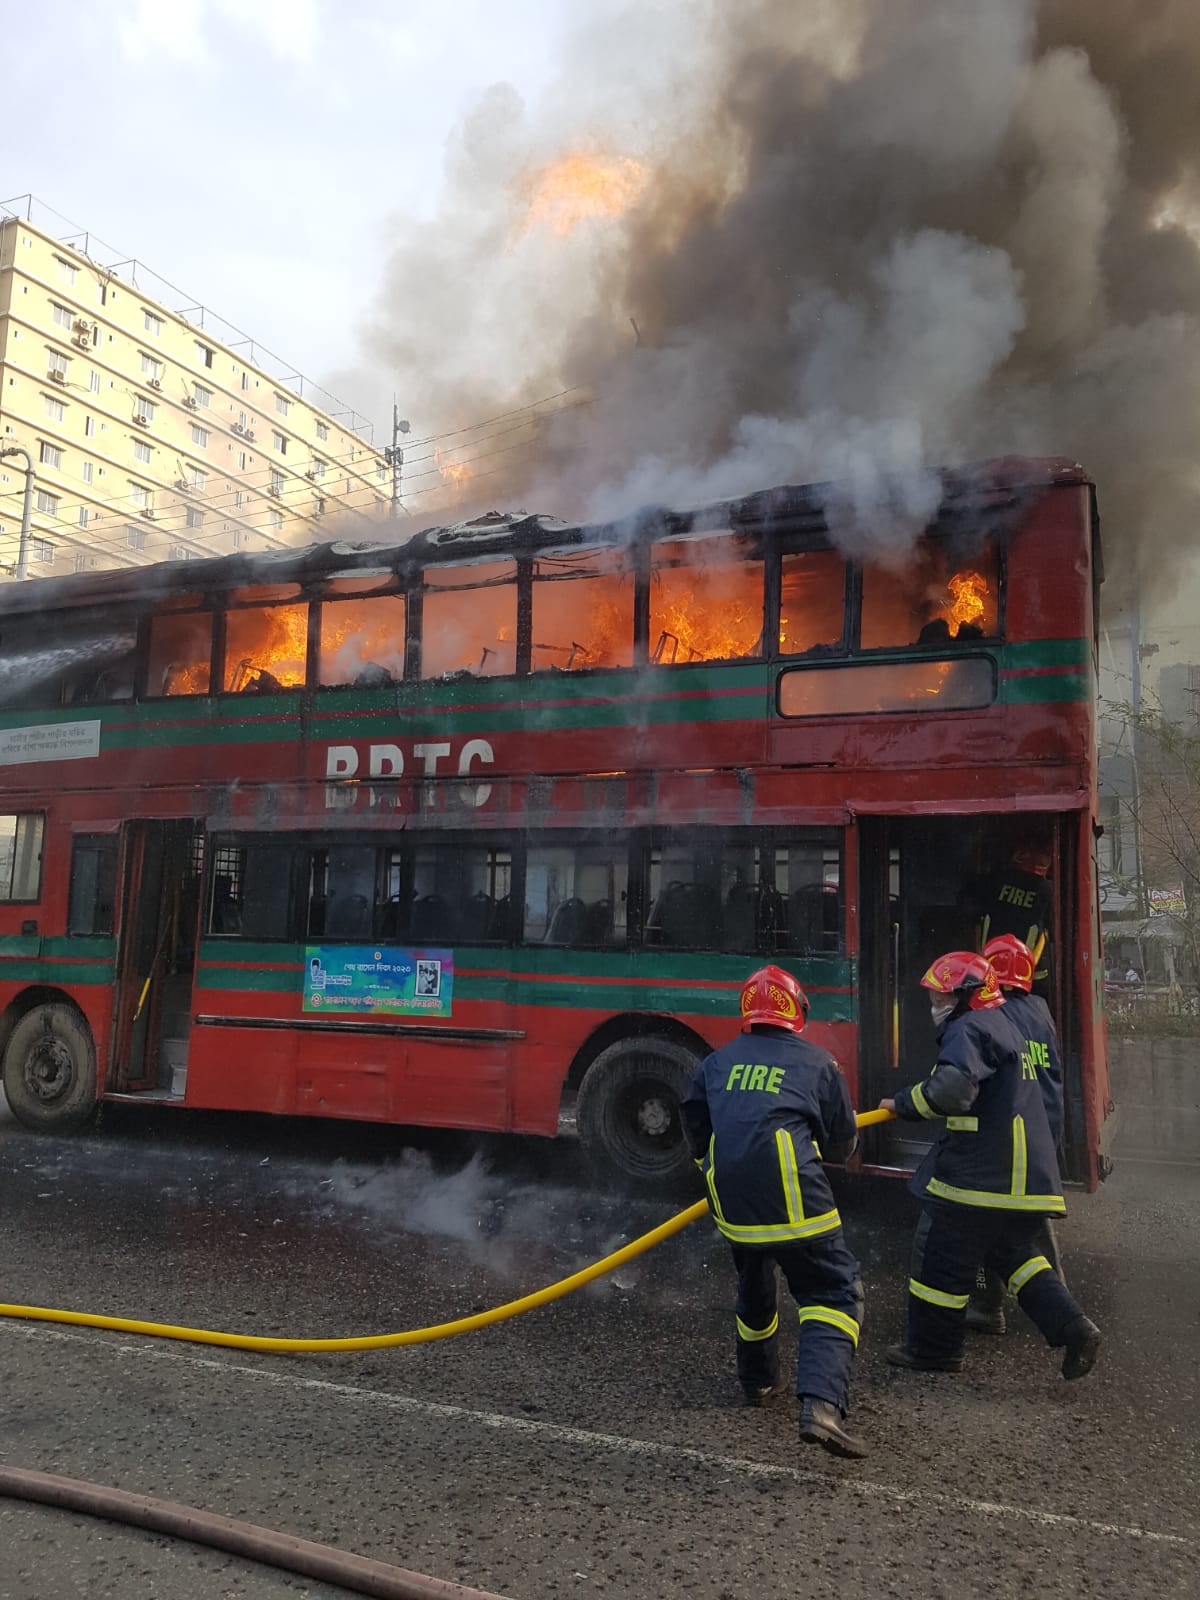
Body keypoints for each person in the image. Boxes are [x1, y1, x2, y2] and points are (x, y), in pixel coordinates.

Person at [880, 950, 1100, 1380]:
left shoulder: (971, 1027)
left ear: (963, 997)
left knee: (941, 1261)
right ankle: (1075, 1328)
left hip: (980, 1177)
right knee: (1015, 1255)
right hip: (1017, 1176)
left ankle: (933, 1350)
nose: (934, 1005)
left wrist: (902, 1103)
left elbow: (951, 1092)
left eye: (939, 997)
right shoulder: (1004, 1022)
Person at [681, 965, 867, 1459]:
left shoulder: (716, 1064)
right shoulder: (819, 1064)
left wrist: (716, 1167)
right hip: (798, 1205)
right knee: (833, 1291)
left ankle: (758, 1380)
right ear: (797, 1011)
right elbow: (843, 1142)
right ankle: (823, 1407)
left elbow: (696, 1129)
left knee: (755, 1279)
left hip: (734, 1209)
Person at [964, 934, 1067, 1334]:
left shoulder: (993, 1017)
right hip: (1041, 1137)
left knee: (979, 1221)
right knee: (1027, 1223)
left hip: (1006, 1143)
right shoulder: (1040, 1012)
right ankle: (1055, 1305)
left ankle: (996, 1307)